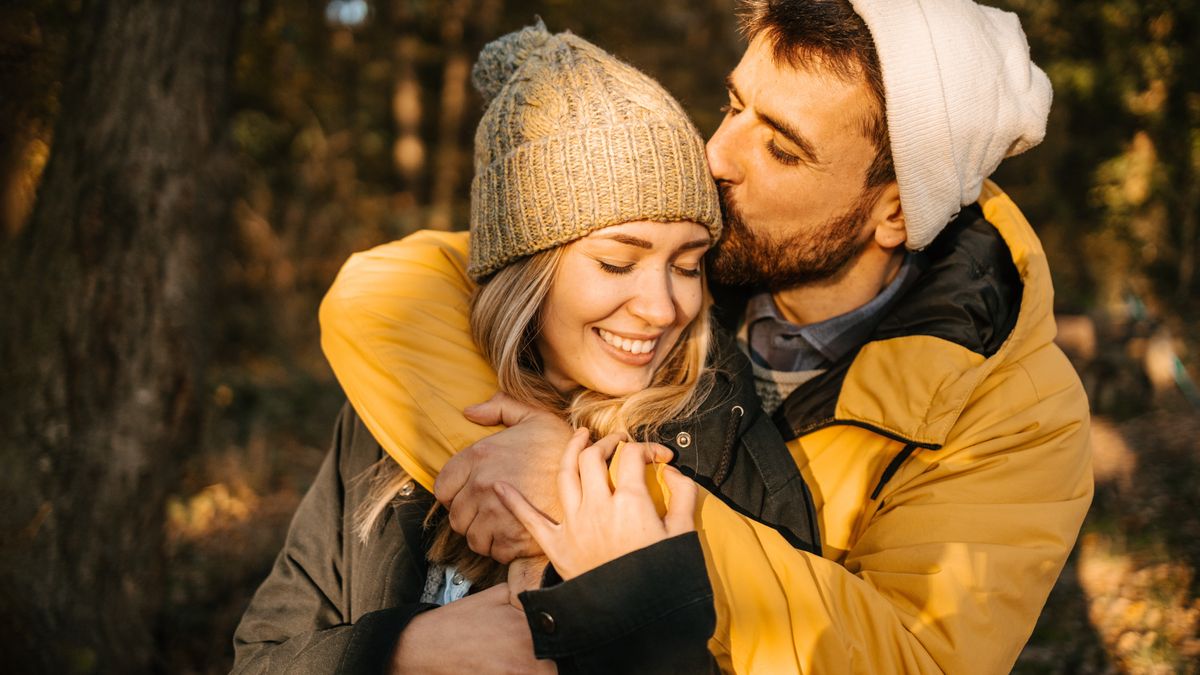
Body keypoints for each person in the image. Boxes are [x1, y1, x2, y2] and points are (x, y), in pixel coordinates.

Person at [319, 0, 1094, 673]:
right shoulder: (677, 264)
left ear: (896, 212)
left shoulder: (1019, 414)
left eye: (782, 148)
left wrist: (582, 489)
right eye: (732, 106)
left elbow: (917, 657)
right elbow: (390, 291)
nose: (716, 155)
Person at [232, 22, 820, 675]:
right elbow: (261, 658)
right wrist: (406, 647)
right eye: (617, 262)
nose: (663, 307)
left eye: (687, 264)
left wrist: (633, 619)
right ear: (525, 271)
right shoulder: (392, 418)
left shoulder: (727, 451)